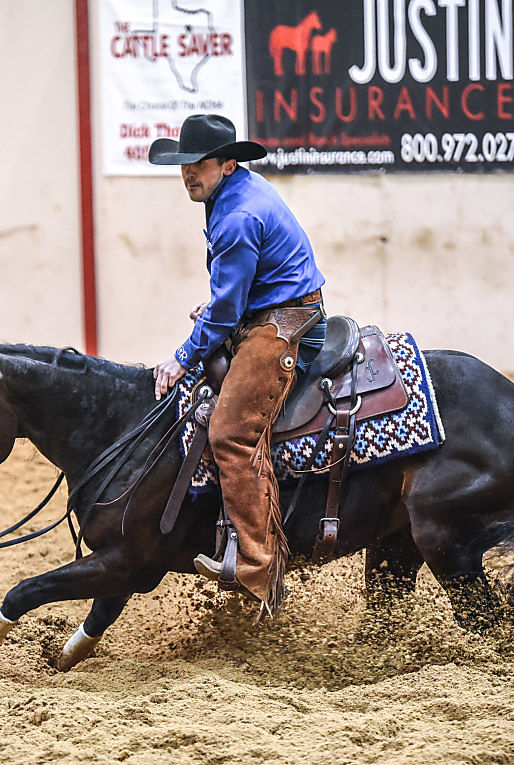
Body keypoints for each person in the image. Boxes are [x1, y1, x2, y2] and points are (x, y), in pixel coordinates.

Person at [149, 114, 327, 616]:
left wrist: (182, 356)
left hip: (283, 323)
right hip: (270, 308)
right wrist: (223, 314)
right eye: (184, 165)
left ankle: (258, 562)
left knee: (230, 432)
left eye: (199, 164)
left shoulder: (235, 216)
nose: (189, 174)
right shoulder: (233, 194)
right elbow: (232, 298)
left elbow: (225, 310)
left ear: (227, 164)